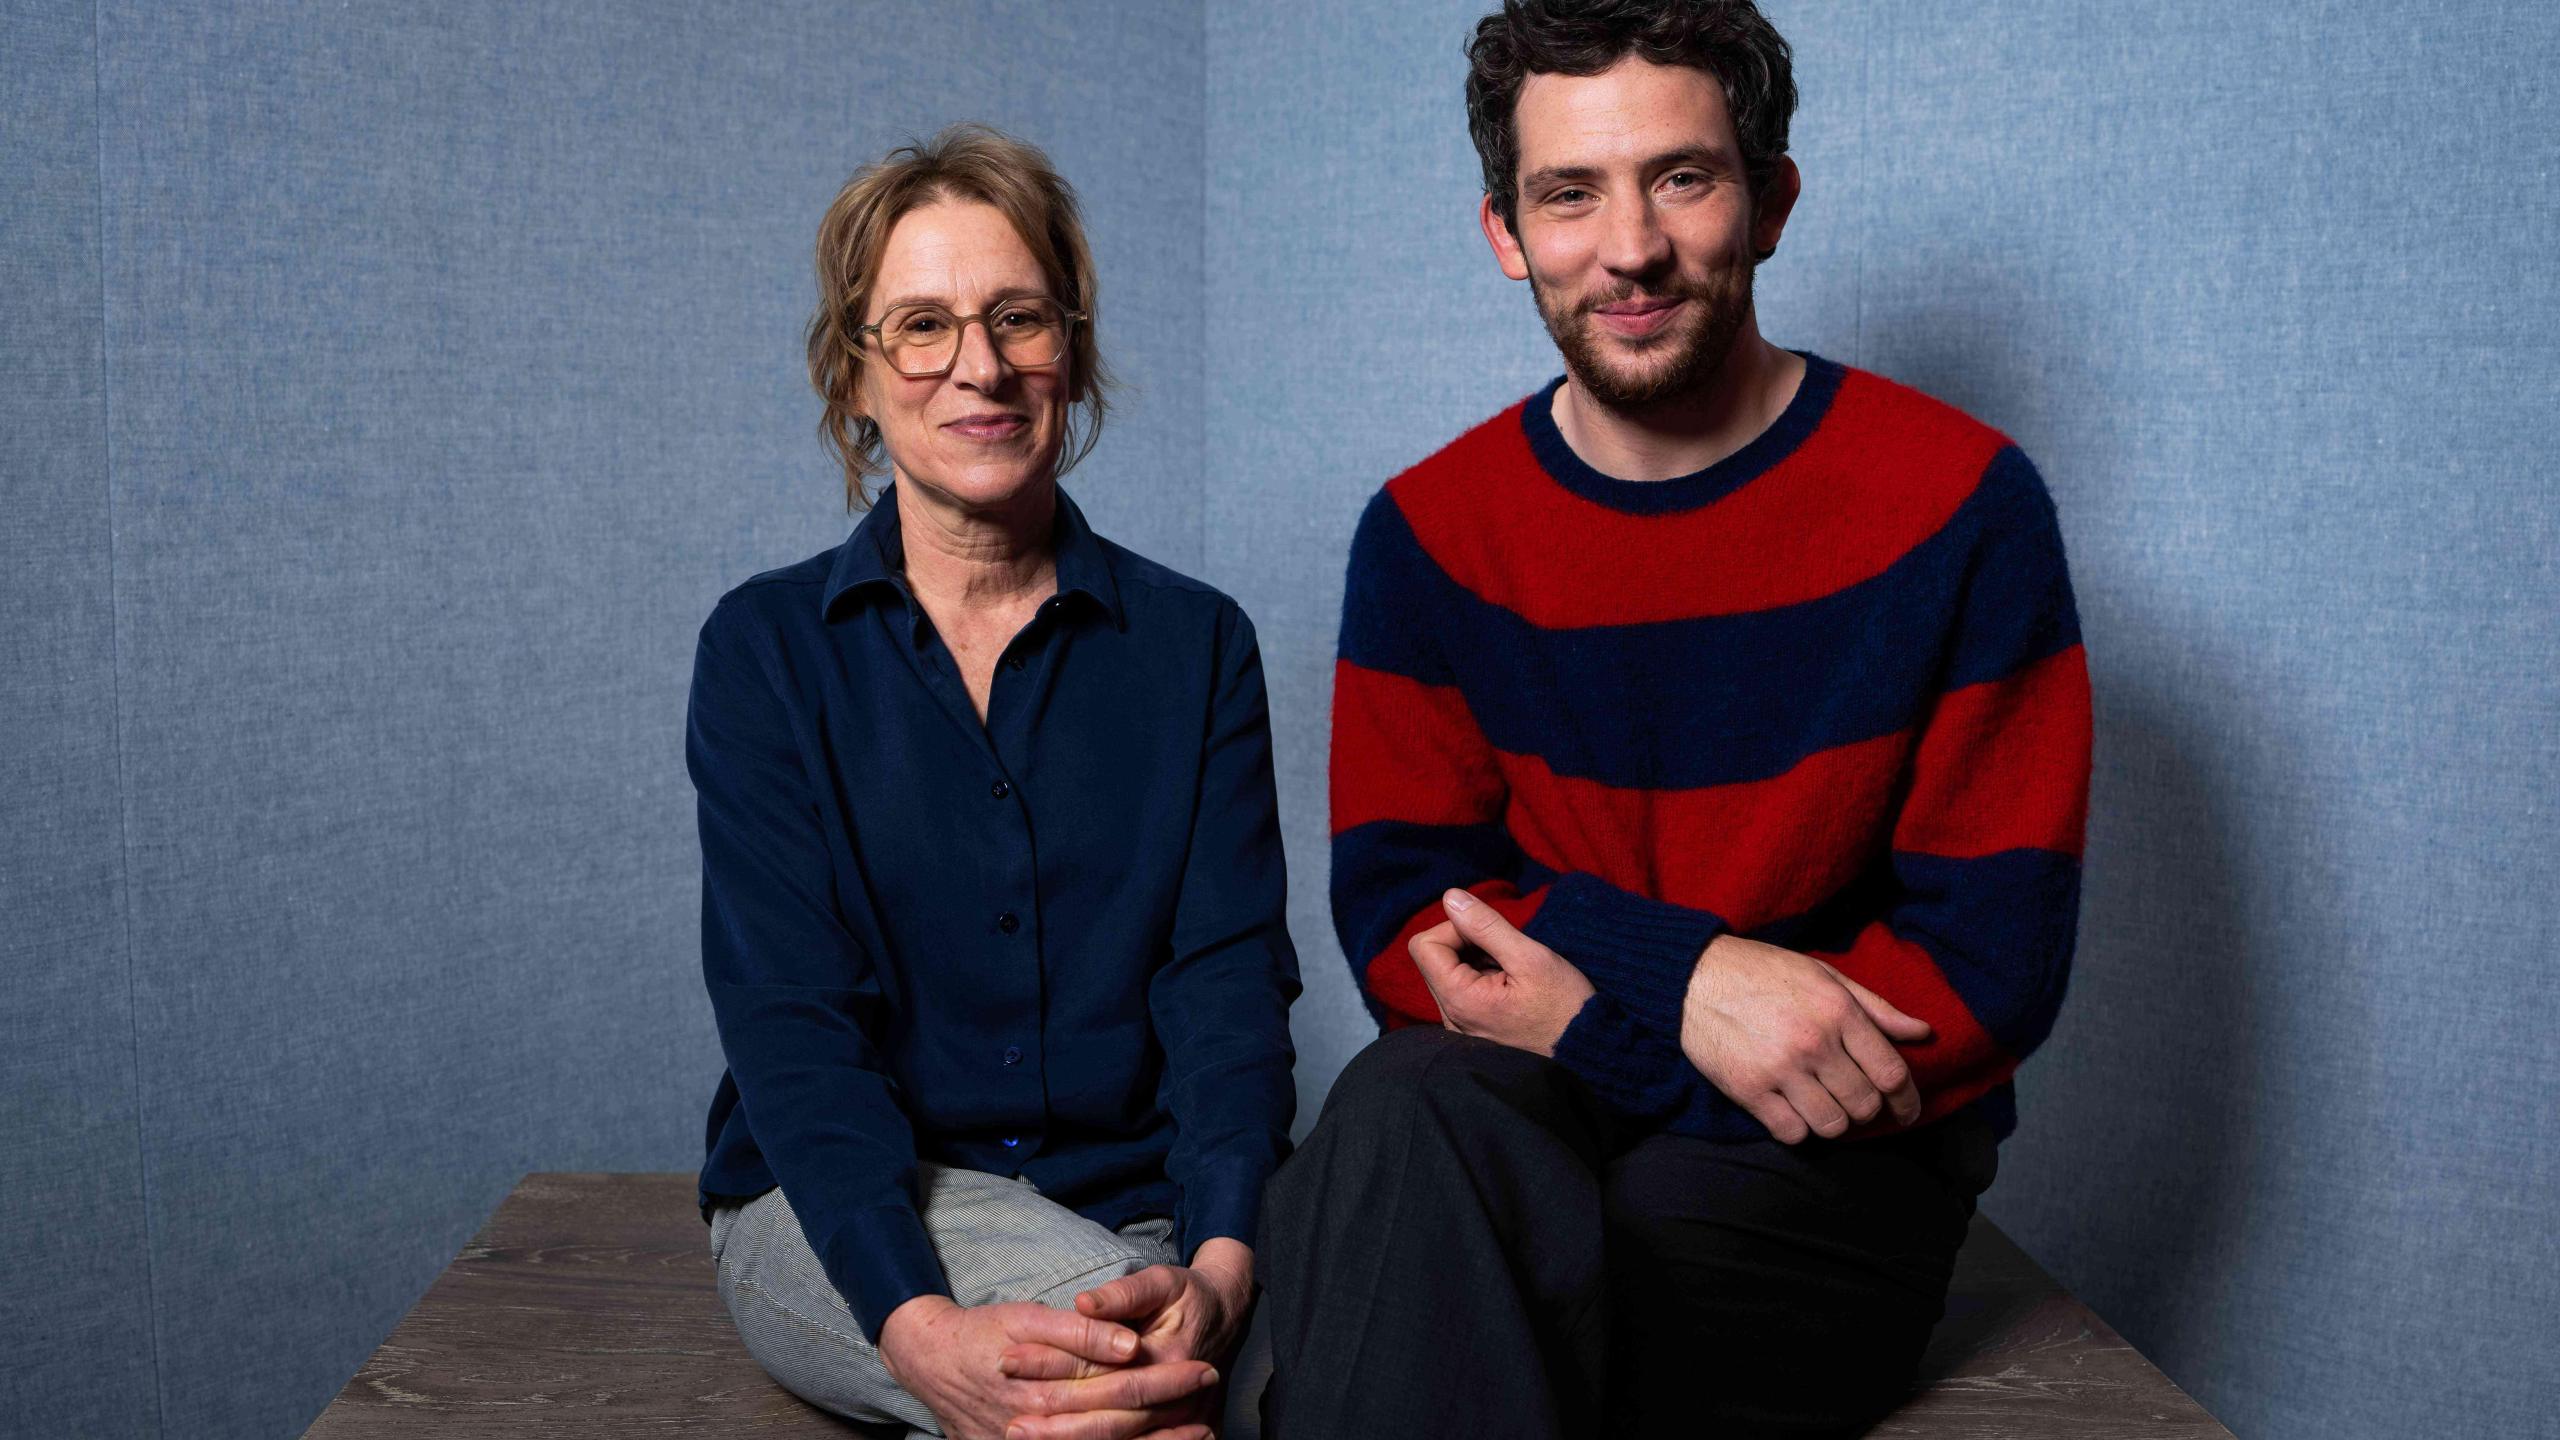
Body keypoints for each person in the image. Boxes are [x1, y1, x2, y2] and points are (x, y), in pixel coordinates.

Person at [1259, 3, 2092, 1436]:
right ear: (1507, 231)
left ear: (1769, 202)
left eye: (1682, 178)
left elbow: (1988, 967)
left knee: (1539, 1252)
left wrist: (1605, 1022)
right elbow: (1412, 919)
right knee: (1395, 1116)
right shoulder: (1429, 534)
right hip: (1532, 1090)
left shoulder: (1961, 504)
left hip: (1825, 1156)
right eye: (1568, 192)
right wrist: (1690, 980)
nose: (1628, 247)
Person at [688, 124, 1298, 1440]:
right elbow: (793, 1033)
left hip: (1142, 1214)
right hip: (845, 1213)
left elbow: (1227, 993)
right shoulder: (766, 653)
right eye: (922, 324)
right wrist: (923, 1338)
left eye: (1017, 316)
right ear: (855, 373)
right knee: (1155, 1412)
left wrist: (1229, 1264)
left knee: (1329, 1368)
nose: (980, 365)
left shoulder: (1198, 647)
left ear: (1068, 352)